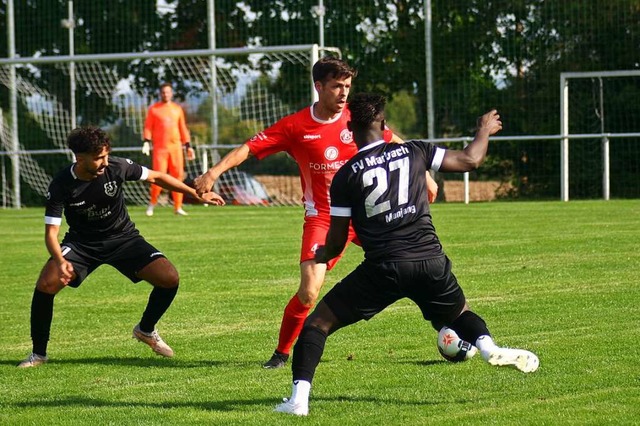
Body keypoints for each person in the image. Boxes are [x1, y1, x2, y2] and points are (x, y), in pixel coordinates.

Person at [274, 93, 539, 416]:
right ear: (384, 125)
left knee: (318, 324)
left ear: (350, 129)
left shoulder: (346, 175)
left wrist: (319, 253)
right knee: (459, 312)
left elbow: (338, 238)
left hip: (383, 268)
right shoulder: (414, 151)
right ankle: (488, 346)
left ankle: (298, 402)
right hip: (430, 261)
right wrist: (483, 129)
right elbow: (470, 160)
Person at [193, 57, 439, 369]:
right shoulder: (295, 126)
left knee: (413, 264)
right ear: (318, 86)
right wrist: (213, 174)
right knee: (309, 293)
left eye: (348, 86)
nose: (343, 93)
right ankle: (282, 354)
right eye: (337, 86)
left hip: (367, 216)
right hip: (322, 218)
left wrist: (426, 174)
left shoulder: (356, 118)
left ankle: (451, 323)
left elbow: (395, 141)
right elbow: (248, 148)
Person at [17, 126, 224, 368]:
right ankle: (38, 354)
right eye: (98, 158)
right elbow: (51, 233)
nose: (105, 162)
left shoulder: (116, 166)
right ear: (79, 158)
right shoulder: (61, 184)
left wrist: (195, 194)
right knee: (46, 283)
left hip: (123, 238)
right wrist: (61, 261)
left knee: (169, 278)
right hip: (83, 244)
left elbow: (157, 176)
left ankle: (145, 330)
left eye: (106, 155)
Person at [142, 82, 196, 216]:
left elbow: (182, 128)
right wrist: (146, 142)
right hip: (160, 149)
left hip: (176, 148)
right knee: (158, 177)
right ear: (160, 94)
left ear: (171, 93)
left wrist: (188, 145)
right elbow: (148, 127)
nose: (166, 94)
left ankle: (178, 207)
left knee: (178, 177)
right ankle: (152, 203)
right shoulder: (154, 109)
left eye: (168, 92)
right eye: (163, 92)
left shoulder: (177, 109)